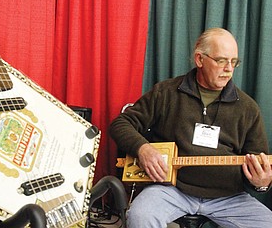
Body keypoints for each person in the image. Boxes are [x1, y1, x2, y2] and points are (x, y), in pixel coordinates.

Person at [109, 28, 272, 228]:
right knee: (140, 216)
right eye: (221, 61)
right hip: (171, 190)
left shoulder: (248, 108)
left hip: (228, 197)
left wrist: (262, 183)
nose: (229, 69)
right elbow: (120, 124)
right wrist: (142, 148)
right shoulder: (166, 93)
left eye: (234, 62)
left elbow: (259, 167)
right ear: (199, 59)